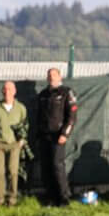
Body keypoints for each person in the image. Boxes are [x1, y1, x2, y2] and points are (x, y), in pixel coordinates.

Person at [0, 80, 28, 206]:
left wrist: (22, 140)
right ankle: (0, 198)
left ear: (14, 91)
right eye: (5, 89)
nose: (7, 92)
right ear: (2, 91)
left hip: (14, 145)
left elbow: (25, 125)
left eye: (10, 89)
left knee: (13, 171)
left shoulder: (20, 108)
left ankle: (12, 199)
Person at [36, 67, 77, 206]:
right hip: (44, 136)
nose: (51, 77)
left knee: (57, 165)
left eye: (54, 75)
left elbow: (72, 116)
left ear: (60, 77)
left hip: (58, 136)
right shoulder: (43, 94)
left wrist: (65, 133)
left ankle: (64, 197)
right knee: (45, 167)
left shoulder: (66, 92)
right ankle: (50, 197)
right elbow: (39, 116)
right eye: (49, 75)